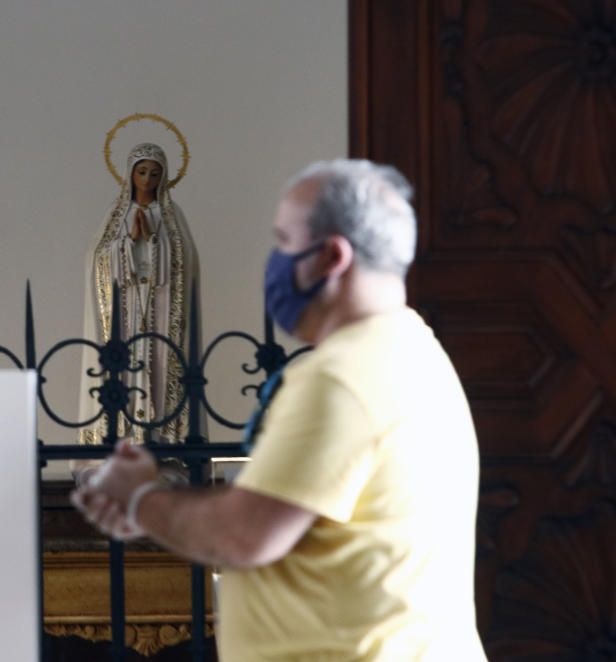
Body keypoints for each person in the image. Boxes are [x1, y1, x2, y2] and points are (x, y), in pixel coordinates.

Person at [71, 159, 487, 661]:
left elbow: (246, 534)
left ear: (331, 255)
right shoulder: (415, 347)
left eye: (284, 242)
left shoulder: (340, 376)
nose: (274, 261)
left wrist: (141, 499)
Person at [77, 142, 201, 445]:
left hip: (160, 307)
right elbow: (98, 259)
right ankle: (124, 433)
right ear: (130, 174)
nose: (147, 180)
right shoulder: (117, 214)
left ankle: (160, 437)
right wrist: (128, 242)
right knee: (125, 360)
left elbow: (187, 261)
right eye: (142, 172)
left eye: (155, 174)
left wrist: (155, 239)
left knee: (160, 361)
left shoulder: (171, 216)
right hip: (127, 308)